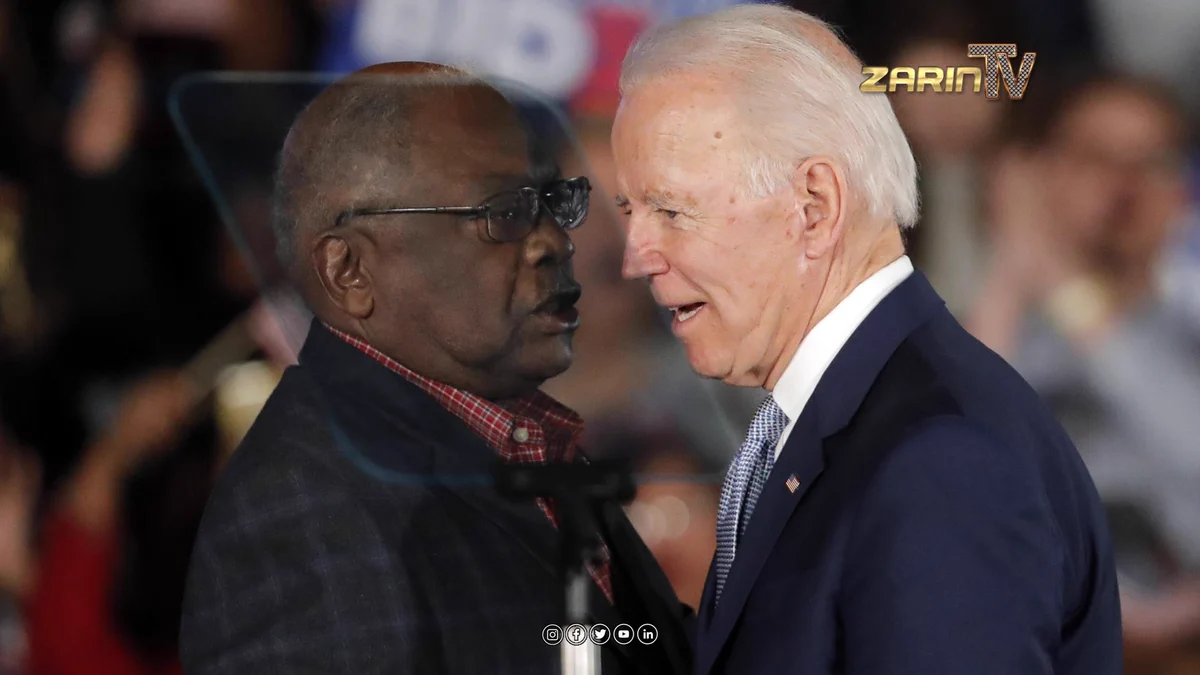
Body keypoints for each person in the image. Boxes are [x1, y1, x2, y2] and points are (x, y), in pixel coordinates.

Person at [610, 5, 1121, 675]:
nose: (635, 257)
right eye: (630, 211)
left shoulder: (938, 463)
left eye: (672, 210)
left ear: (815, 207)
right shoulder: (848, 422)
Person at [179, 63, 693, 675]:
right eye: (503, 213)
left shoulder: (522, 440)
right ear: (349, 271)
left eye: (552, 203)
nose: (555, 242)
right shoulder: (304, 511)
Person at [969, 70, 1200, 672]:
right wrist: (1014, 267)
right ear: (1042, 176)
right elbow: (960, 469)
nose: (1126, 185)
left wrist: (1066, 288)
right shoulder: (991, 324)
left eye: (1150, 161)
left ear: (1181, 190)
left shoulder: (1191, 310)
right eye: (1097, 158)